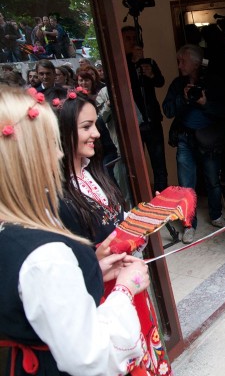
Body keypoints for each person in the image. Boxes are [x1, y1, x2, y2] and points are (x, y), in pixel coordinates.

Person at [0, 87, 150, 375]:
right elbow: (91, 355)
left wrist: (92, 267)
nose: (58, 152)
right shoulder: (45, 256)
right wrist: (124, 291)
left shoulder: (15, 232)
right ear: (25, 156)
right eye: (50, 143)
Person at [56, 91, 172, 375]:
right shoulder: (56, 194)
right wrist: (96, 259)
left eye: (96, 124)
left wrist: (149, 216)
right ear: (61, 131)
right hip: (103, 298)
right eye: (86, 127)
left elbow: (118, 225)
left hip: (128, 284)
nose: (96, 133)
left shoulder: (94, 173)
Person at [163, 44, 225, 243]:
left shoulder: (214, 82)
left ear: (194, 62)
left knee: (212, 180)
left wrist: (205, 104)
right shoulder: (178, 85)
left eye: (182, 61)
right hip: (185, 138)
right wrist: (182, 99)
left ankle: (216, 215)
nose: (179, 64)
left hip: (208, 139)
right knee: (186, 185)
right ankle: (188, 225)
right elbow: (167, 110)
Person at [121, 26, 168, 193]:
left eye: (135, 38)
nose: (132, 42)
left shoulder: (149, 62)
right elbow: (123, 87)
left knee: (159, 165)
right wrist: (133, 63)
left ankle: (163, 204)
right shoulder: (121, 65)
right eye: (128, 38)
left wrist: (151, 75)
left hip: (153, 120)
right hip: (133, 123)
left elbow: (160, 82)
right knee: (135, 167)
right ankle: (141, 202)